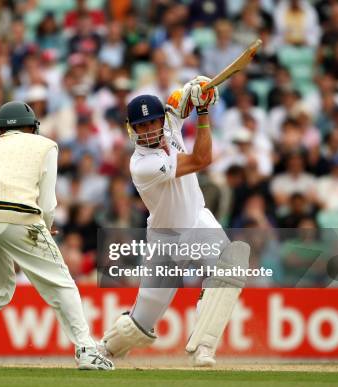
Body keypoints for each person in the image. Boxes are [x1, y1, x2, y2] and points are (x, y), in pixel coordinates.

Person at [0, 101, 114, 371]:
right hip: (18, 215)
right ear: (32, 127)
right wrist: (46, 229)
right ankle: (86, 349)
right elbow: (48, 204)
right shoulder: (45, 146)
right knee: (61, 282)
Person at [100, 77, 250, 367]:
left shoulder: (169, 124)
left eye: (152, 123)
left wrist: (197, 88)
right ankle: (105, 349)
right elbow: (201, 159)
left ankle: (204, 347)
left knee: (231, 265)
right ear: (132, 129)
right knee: (141, 323)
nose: (148, 130)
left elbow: (177, 101)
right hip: (166, 239)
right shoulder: (142, 165)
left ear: (160, 121)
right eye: (141, 126)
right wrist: (203, 113)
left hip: (198, 221)